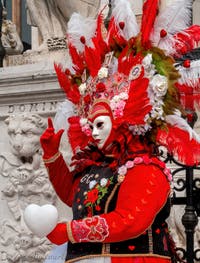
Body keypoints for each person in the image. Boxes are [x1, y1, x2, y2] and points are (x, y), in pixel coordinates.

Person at [26, 0, 200, 262]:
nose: (93, 133)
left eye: (100, 125)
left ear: (121, 120)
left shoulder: (146, 168)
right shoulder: (96, 169)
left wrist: (70, 231)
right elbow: (74, 196)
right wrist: (52, 157)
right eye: (90, 125)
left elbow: (130, 221)